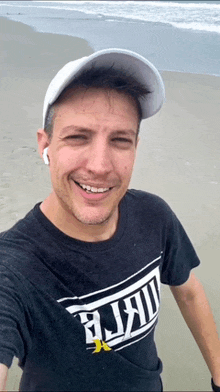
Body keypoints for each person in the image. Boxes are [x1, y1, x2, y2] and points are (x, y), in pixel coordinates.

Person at [0, 48, 219, 392]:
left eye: (120, 140)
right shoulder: (12, 267)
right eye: (77, 137)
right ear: (45, 145)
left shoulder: (153, 215)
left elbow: (188, 291)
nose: (100, 166)